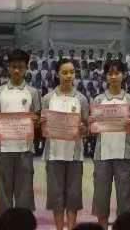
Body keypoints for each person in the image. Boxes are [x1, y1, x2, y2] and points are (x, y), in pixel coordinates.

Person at [0, 49, 41, 213]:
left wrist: (36, 121)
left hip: (25, 149)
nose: (17, 71)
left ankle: (22, 222)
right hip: (2, 148)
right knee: (2, 192)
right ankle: (4, 222)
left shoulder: (33, 92)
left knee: (24, 193)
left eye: (20, 67)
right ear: (8, 68)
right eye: (13, 67)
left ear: (26, 68)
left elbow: (37, 119)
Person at [92, 59, 130, 225]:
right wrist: (92, 125)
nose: (113, 77)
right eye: (110, 73)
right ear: (106, 76)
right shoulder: (98, 100)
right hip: (102, 154)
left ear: (124, 75)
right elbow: (93, 130)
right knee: (101, 197)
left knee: (125, 198)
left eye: (117, 73)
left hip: (125, 154)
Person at [44, 58, 89, 230]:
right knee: (56, 197)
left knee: (73, 197)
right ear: (57, 74)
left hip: (74, 155)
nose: (68, 75)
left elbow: (87, 129)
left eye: (71, 72)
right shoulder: (48, 98)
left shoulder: (81, 99)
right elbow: (43, 129)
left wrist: (83, 128)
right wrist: (42, 124)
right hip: (53, 154)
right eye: (64, 72)